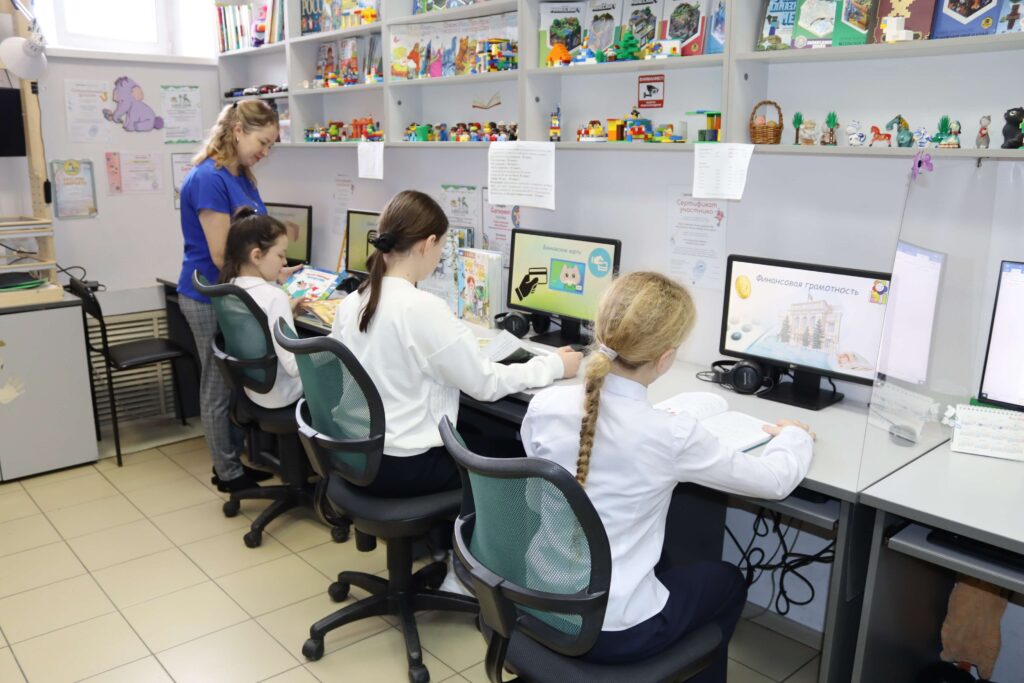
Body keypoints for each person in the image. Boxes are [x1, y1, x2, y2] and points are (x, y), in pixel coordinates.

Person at [520, 272, 814, 682]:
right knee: (727, 580)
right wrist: (796, 437)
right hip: (614, 633)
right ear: (665, 358)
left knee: (668, 555)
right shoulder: (670, 434)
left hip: (537, 603)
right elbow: (774, 481)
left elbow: (536, 500)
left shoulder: (545, 405)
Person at [330, 189, 583, 499]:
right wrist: (554, 365)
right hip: (407, 465)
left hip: (360, 455)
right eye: (442, 247)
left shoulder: (353, 302)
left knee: (477, 430)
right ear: (428, 244)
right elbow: (485, 384)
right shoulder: (421, 308)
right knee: (518, 454)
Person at [177, 99, 291, 492]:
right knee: (217, 385)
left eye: (272, 145)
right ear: (238, 131)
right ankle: (228, 474)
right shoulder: (209, 178)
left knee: (232, 383)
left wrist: (275, 269)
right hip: (210, 297)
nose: (266, 152)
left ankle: (235, 462)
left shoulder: (241, 176)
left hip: (233, 294)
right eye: (263, 142)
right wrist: (268, 280)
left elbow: (251, 244)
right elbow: (221, 254)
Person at [219, 207, 304, 410]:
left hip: (255, 391)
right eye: (280, 255)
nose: (284, 262)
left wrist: (285, 310)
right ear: (256, 256)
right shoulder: (275, 298)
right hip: (284, 396)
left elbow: (258, 328)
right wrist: (332, 342)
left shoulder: (230, 286)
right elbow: (293, 366)